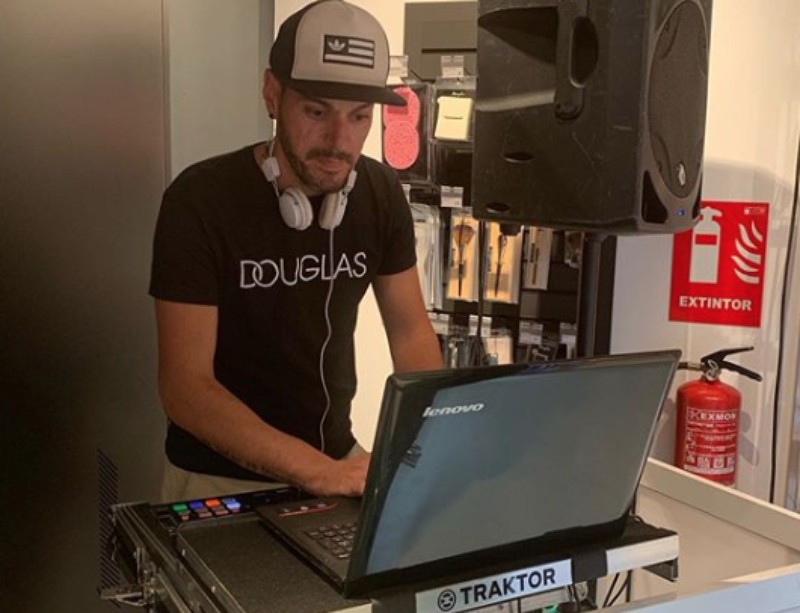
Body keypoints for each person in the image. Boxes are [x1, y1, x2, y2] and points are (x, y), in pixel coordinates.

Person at [150, 0, 442, 502]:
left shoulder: (379, 193)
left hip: (334, 461)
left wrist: (426, 442)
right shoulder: (199, 201)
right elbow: (185, 387)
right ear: (272, 93)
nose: (339, 141)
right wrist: (319, 474)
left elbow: (410, 329)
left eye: (359, 117)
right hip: (220, 478)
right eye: (316, 111)